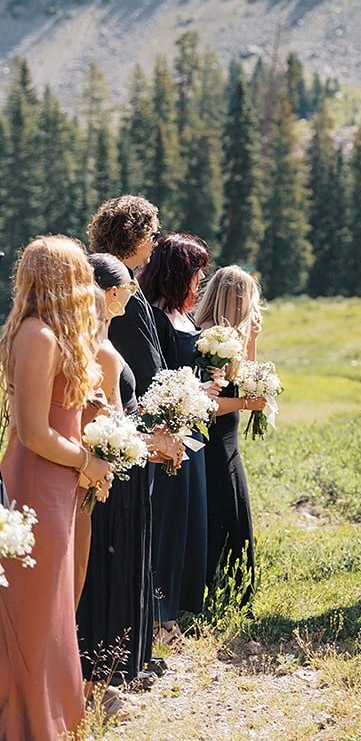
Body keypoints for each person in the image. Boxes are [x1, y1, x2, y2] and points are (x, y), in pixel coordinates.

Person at [0, 237, 113, 741]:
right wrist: (87, 461)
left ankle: (57, 725)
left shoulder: (58, 335)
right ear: (61, 279)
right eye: (80, 275)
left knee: (54, 610)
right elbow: (33, 431)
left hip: (58, 482)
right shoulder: (37, 336)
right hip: (37, 482)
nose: (89, 287)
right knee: (34, 613)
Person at [76, 255, 182, 704]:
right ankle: (103, 677)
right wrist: (153, 441)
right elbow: (111, 420)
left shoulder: (99, 340)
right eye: (126, 289)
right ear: (111, 293)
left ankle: (111, 671)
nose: (131, 295)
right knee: (108, 569)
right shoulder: (99, 348)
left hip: (118, 467)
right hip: (109, 475)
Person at [141, 232, 213, 627]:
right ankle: (158, 612)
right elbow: (158, 378)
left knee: (189, 519)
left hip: (194, 431)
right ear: (177, 272)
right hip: (170, 432)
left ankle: (179, 608)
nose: (201, 279)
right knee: (166, 521)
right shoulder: (152, 315)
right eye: (197, 271)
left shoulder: (183, 316)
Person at [193, 265, 267, 605]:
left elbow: (248, 376)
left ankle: (230, 587)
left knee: (232, 505)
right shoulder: (208, 341)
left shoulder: (229, 338)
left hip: (228, 440)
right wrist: (247, 402)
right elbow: (207, 403)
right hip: (211, 439)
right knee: (221, 508)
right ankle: (220, 588)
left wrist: (251, 340)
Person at [87, 195, 166, 397]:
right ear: (136, 235)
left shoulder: (105, 277)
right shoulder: (120, 289)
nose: (156, 244)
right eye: (154, 236)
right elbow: (142, 359)